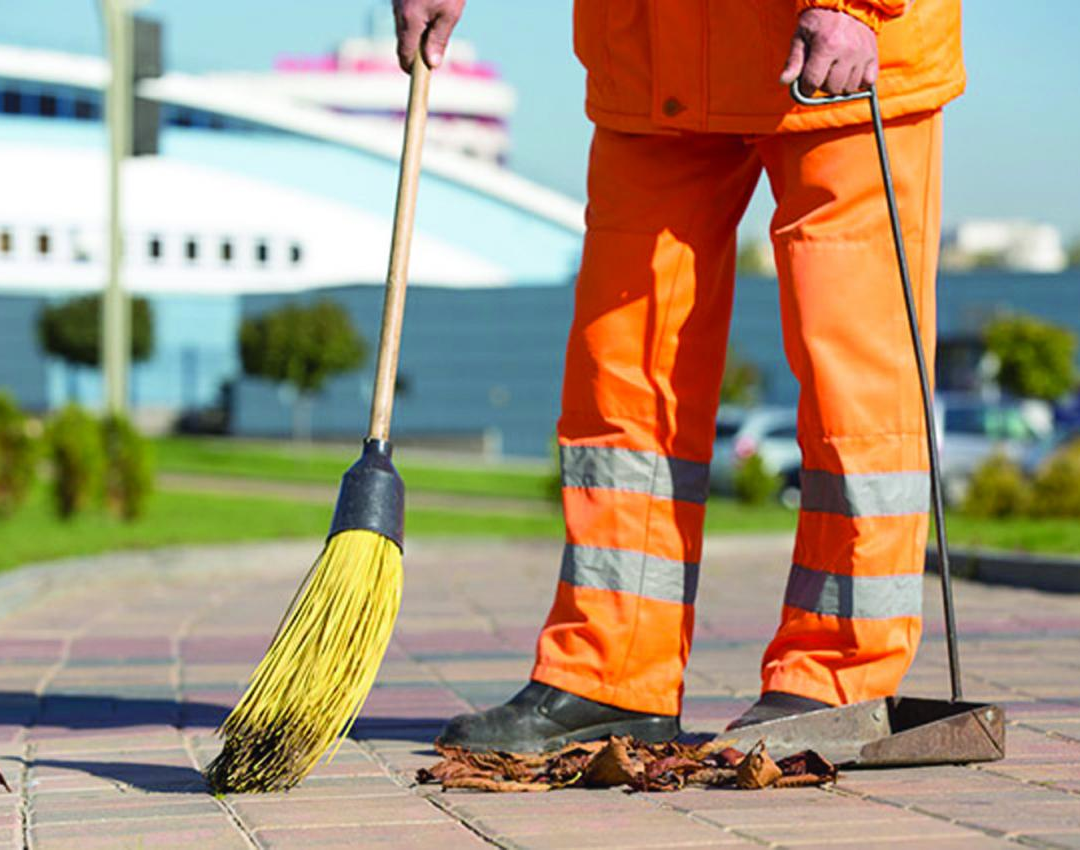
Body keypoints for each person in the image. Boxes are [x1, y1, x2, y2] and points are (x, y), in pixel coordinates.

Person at [392, 0, 964, 751]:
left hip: (839, 51)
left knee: (854, 380)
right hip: (654, 57)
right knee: (622, 375)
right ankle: (610, 672)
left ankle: (838, 675)